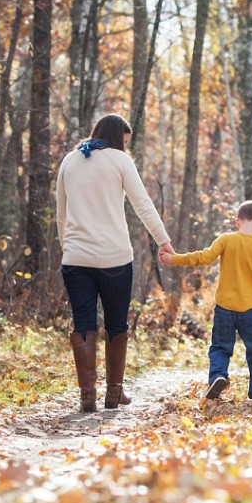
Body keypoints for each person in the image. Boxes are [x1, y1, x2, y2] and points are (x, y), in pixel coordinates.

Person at [56, 113, 174, 413]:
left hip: (75, 258)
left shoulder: (70, 161)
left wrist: (67, 247)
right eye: (124, 141)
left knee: (83, 322)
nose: (125, 146)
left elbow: (62, 213)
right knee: (116, 323)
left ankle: (87, 395)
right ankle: (114, 392)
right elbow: (142, 205)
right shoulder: (121, 161)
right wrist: (163, 240)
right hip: (115, 258)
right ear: (117, 137)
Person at [159, 201, 252, 402]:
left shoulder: (227, 239)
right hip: (250, 309)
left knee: (220, 348)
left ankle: (218, 376)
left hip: (224, 308)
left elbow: (204, 257)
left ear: (237, 222)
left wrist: (175, 258)